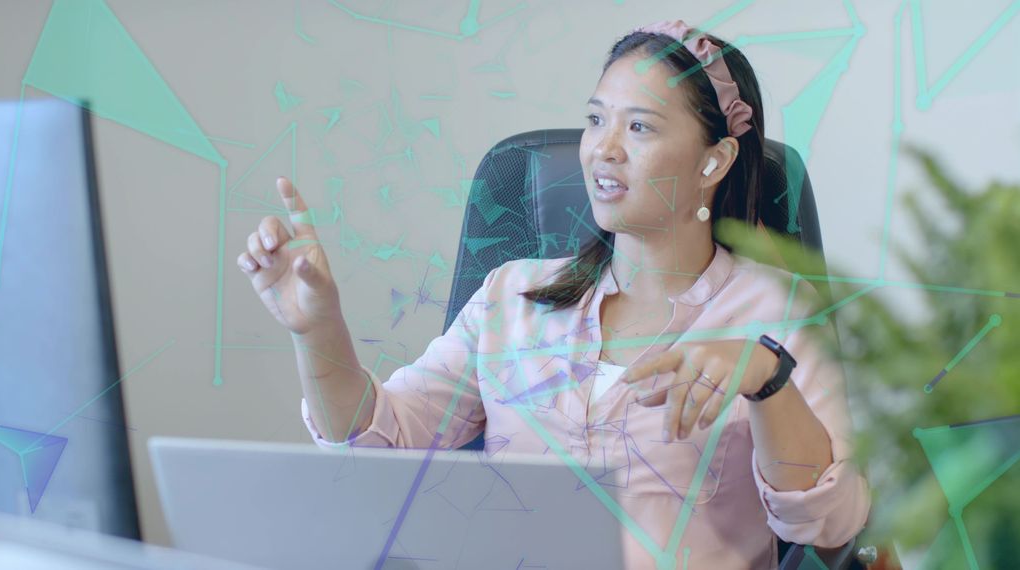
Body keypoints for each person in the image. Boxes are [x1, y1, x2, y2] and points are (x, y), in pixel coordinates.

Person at [237, 19, 869, 570]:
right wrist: (316, 328)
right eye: (596, 119)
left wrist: (767, 379)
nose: (603, 149)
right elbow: (377, 446)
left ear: (713, 161)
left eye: (640, 126)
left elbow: (829, 525)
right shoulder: (511, 294)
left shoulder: (781, 312)